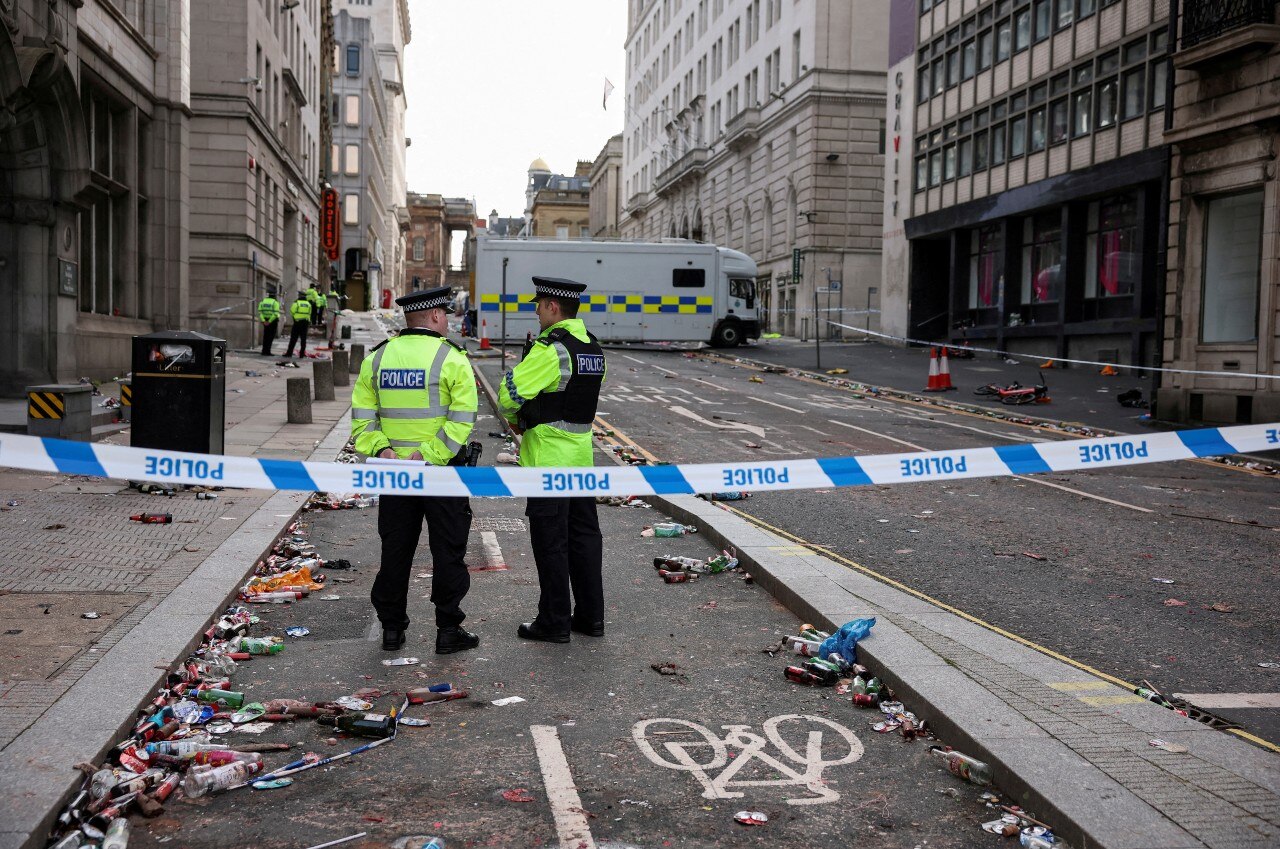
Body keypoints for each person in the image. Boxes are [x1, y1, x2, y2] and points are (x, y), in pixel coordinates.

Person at [351, 285, 480, 653]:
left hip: (394, 473)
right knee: (448, 549)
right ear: (437, 316)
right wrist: (430, 454)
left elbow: (362, 418)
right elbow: (462, 418)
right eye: (447, 316)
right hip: (441, 471)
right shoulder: (451, 358)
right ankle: (448, 630)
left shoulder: (377, 358)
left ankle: (392, 629)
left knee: (396, 549)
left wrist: (384, 450)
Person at [497, 277, 606, 643]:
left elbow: (509, 392)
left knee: (551, 542)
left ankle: (554, 621)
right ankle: (590, 617)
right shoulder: (592, 347)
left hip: (548, 462)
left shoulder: (551, 350)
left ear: (552, 307)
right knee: (584, 539)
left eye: (538, 304)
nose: (536, 310)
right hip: (581, 459)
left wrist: (515, 414)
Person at [284, 292, 312, 357]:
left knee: (293, 338)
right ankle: (302, 354)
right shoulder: (308, 304)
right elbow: (309, 313)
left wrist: (295, 317)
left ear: (299, 296)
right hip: (305, 323)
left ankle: (289, 353)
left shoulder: (296, 303)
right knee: (303, 339)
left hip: (297, 322)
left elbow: (292, 311)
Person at [258, 291, 281, 356]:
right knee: (270, 337)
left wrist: (263, 321)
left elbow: (260, 312)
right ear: (274, 296)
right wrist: (270, 321)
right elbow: (275, 314)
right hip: (272, 321)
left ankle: (263, 351)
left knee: (265, 336)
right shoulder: (275, 302)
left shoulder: (262, 301)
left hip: (265, 320)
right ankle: (268, 351)